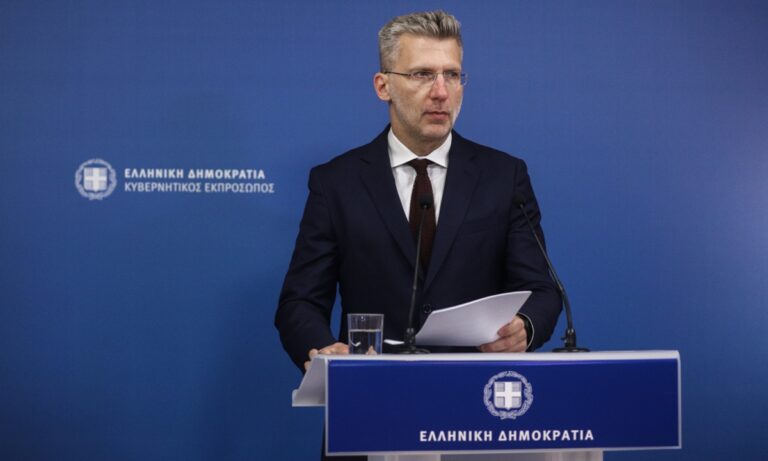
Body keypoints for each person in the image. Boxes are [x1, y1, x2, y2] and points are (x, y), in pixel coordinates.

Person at [275, 10, 561, 373]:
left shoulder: (504, 177)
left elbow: (541, 290)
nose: (441, 92)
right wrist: (325, 349)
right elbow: (299, 302)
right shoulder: (336, 183)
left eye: (452, 75)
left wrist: (525, 327)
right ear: (383, 86)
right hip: (373, 389)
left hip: (474, 391)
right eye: (422, 74)